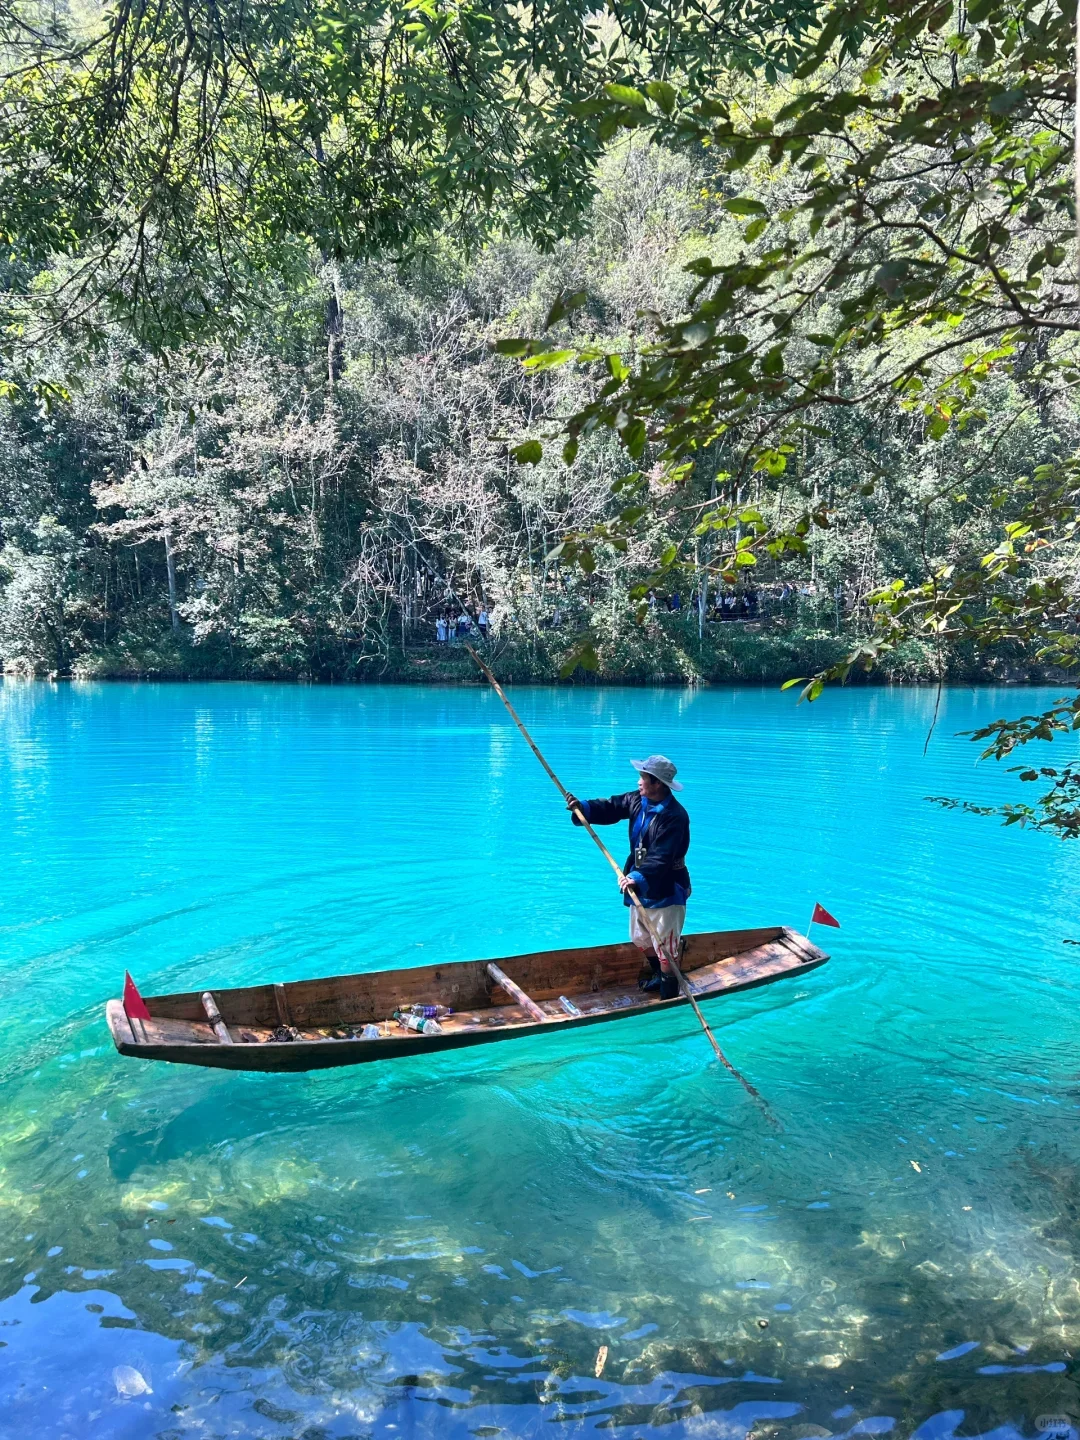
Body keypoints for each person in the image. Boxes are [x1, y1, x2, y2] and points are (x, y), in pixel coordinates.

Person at [565, 755, 690, 1000]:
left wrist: (637, 877)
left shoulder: (675, 816)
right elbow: (612, 806)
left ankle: (669, 994)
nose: (639, 781)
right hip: (639, 879)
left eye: (643, 777)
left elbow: (663, 856)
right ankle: (659, 975)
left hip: (665, 885)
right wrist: (583, 808)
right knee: (640, 937)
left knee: (665, 946)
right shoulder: (637, 799)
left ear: (658, 784)